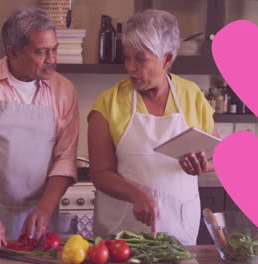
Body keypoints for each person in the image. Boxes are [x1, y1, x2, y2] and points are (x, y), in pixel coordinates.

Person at [0, 7, 79, 253]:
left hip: (39, 216)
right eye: (41, 52)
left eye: (55, 49)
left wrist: (45, 208)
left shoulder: (65, 90)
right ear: (12, 51)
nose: (52, 59)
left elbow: (65, 158)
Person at [88, 9, 219, 245]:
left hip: (179, 230)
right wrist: (136, 194)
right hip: (122, 232)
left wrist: (202, 166)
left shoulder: (192, 96)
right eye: (126, 57)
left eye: (140, 59)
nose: (130, 67)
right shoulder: (109, 102)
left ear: (167, 59)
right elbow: (99, 174)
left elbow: (218, 156)